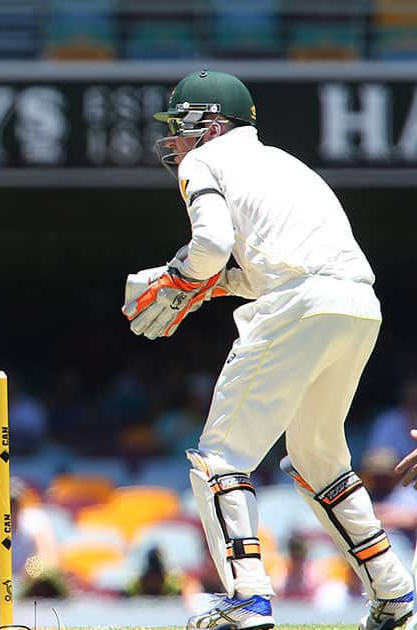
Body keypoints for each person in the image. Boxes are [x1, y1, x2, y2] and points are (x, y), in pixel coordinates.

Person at [122, 69, 414, 630]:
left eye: (179, 128)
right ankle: (394, 591)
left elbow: (210, 243)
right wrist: (210, 283)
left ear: (207, 124)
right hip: (356, 307)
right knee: (319, 461)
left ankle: (246, 598)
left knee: (219, 459)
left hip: (296, 308)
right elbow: (268, 267)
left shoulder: (202, 161)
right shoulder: (287, 164)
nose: (173, 143)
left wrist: (179, 278)